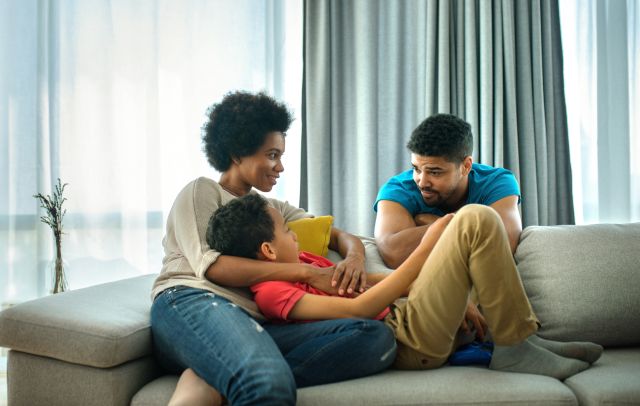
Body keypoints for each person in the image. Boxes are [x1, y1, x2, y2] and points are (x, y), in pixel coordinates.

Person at [150, 91, 397, 406]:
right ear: (238, 153)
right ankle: (248, 375)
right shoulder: (201, 191)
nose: (280, 166)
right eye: (271, 155)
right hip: (193, 302)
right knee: (267, 383)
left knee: (373, 336)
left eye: (280, 156)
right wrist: (307, 273)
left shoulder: (269, 209)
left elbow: (338, 236)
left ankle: (222, 375)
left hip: (256, 322)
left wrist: (355, 259)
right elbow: (214, 267)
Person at [208, 193, 602, 380]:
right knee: (474, 220)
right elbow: (356, 311)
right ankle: (515, 347)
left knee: (473, 228)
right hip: (407, 341)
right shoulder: (274, 292)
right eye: (286, 231)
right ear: (267, 250)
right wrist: (427, 247)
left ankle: (518, 340)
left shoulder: (304, 263)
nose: (296, 236)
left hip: (411, 317)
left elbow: (368, 284)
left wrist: (448, 295)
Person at [374, 113, 523, 268]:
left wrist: (434, 223)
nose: (422, 182)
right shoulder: (398, 189)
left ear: (466, 166)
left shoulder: (497, 182)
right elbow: (394, 254)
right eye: (416, 169)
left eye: (435, 172)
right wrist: (472, 228)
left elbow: (500, 248)